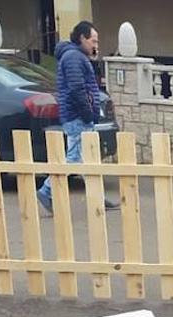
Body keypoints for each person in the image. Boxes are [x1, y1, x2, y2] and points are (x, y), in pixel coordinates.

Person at [37, 21, 118, 214]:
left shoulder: (76, 56)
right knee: (74, 158)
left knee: (86, 159)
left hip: (76, 115)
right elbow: (77, 88)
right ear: (82, 38)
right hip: (77, 116)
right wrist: (88, 113)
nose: (95, 45)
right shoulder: (73, 57)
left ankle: (98, 197)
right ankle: (46, 190)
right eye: (93, 40)